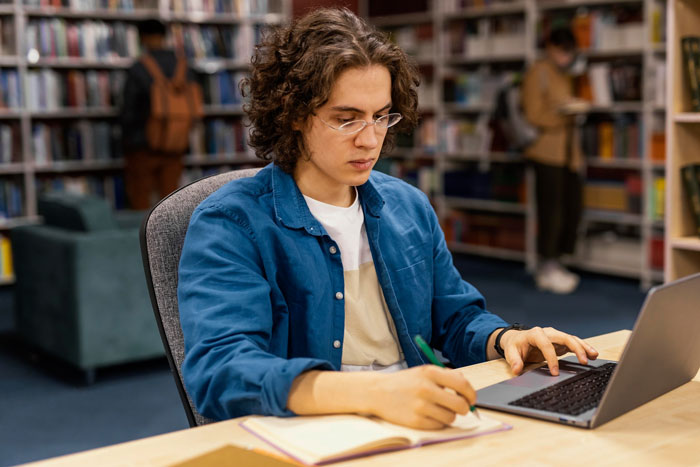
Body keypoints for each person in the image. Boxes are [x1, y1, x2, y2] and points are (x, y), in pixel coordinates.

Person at [177, 8, 598, 430]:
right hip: (315, 430)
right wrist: (374, 394)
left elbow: (455, 319)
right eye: (346, 119)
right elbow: (222, 371)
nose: (370, 139)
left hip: (419, 418)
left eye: (381, 116)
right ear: (294, 115)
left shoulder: (408, 206)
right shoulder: (232, 222)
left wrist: (505, 339)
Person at [522, 27, 586, 295]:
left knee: (571, 208)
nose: (564, 57)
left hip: (569, 152)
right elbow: (533, 114)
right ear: (551, 48)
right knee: (551, 211)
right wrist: (565, 114)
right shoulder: (539, 71)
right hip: (546, 151)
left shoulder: (565, 74)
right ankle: (546, 266)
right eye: (561, 51)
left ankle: (557, 262)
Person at [120, 19, 194, 210]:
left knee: (141, 202)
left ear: (142, 38)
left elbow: (128, 111)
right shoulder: (184, 67)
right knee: (170, 204)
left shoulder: (139, 68)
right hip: (175, 144)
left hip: (143, 145)